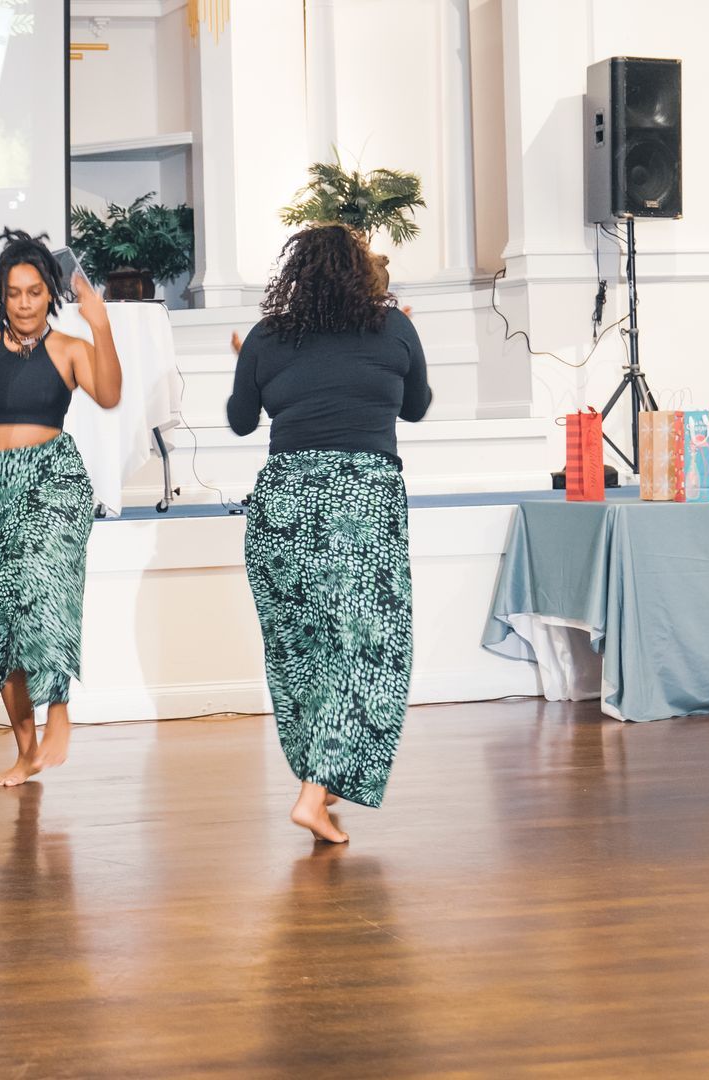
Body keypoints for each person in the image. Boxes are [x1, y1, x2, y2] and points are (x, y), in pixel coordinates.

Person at [225, 224, 432, 843]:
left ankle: (324, 775)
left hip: (283, 507)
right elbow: (416, 406)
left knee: (302, 649)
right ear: (362, 272)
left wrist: (247, 361)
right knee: (367, 649)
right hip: (360, 504)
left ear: (296, 276)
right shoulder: (394, 328)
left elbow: (241, 421)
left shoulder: (267, 336)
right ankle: (314, 795)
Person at [0, 230, 122, 786]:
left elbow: (110, 394)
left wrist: (101, 326)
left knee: (43, 588)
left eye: (34, 292)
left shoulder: (68, 349)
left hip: (52, 482)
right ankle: (26, 751)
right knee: (2, 624)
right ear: (1, 294)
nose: (23, 303)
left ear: (49, 295)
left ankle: (59, 707)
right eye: (13, 293)